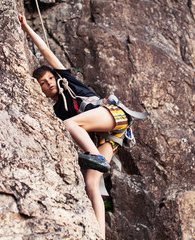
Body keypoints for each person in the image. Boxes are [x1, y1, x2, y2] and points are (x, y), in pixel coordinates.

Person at [18, 14, 129, 238]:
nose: (49, 83)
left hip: (112, 117)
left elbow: (47, 53)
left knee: (70, 124)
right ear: (39, 89)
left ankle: (93, 155)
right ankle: (99, 235)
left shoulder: (71, 84)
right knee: (91, 183)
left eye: (50, 78)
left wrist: (26, 28)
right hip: (106, 138)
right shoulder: (57, 111)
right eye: (43, 83)